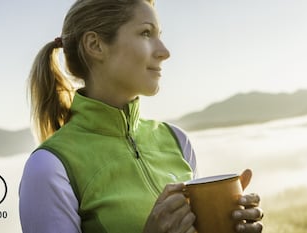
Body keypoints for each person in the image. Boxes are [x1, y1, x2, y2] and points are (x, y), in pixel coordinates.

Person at [19, 0, 264, 232]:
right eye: (146, 33)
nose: (165, 51)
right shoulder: (48, 168)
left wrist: (225, 223)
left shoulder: (177, 140)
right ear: (95, 45)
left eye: (160, 35)